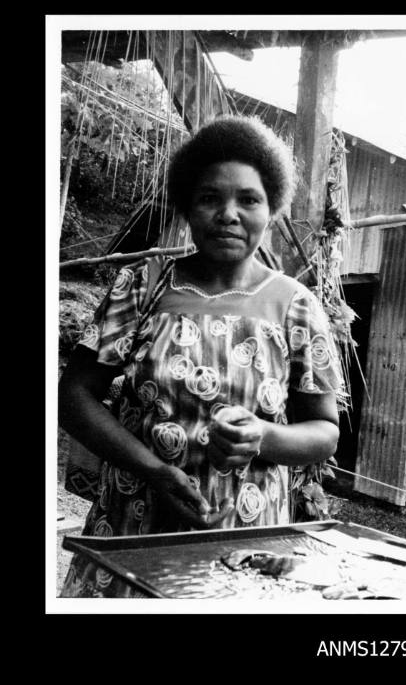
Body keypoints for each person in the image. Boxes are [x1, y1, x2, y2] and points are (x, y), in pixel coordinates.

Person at [59, 115, 341, 597]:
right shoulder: (143, 285)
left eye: (248, 199)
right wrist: (153, 469)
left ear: (271, 208)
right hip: (137, 519)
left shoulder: (296, 305)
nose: (229, 214)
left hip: (246, 537)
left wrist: (264, 436)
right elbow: (74, 396)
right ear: (187, 207)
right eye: (210, 197)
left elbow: (325, 431)